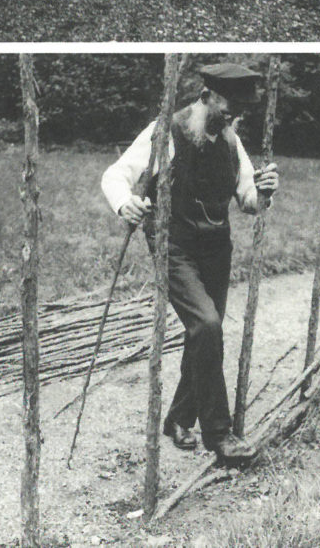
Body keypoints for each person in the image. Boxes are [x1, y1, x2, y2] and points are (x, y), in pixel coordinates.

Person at [101, 62, 279, 464]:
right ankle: (219, 434)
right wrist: (124, 203)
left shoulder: (231, 140)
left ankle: (179, 418)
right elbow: (115, 175)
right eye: (226, 110)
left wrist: (264, 191)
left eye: (238, 114)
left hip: (217, 245)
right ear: (204, 98)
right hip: (173, 243)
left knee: (204, 333)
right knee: (207, 324)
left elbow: (248, 200)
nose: (232, 120)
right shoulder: (166, 131)